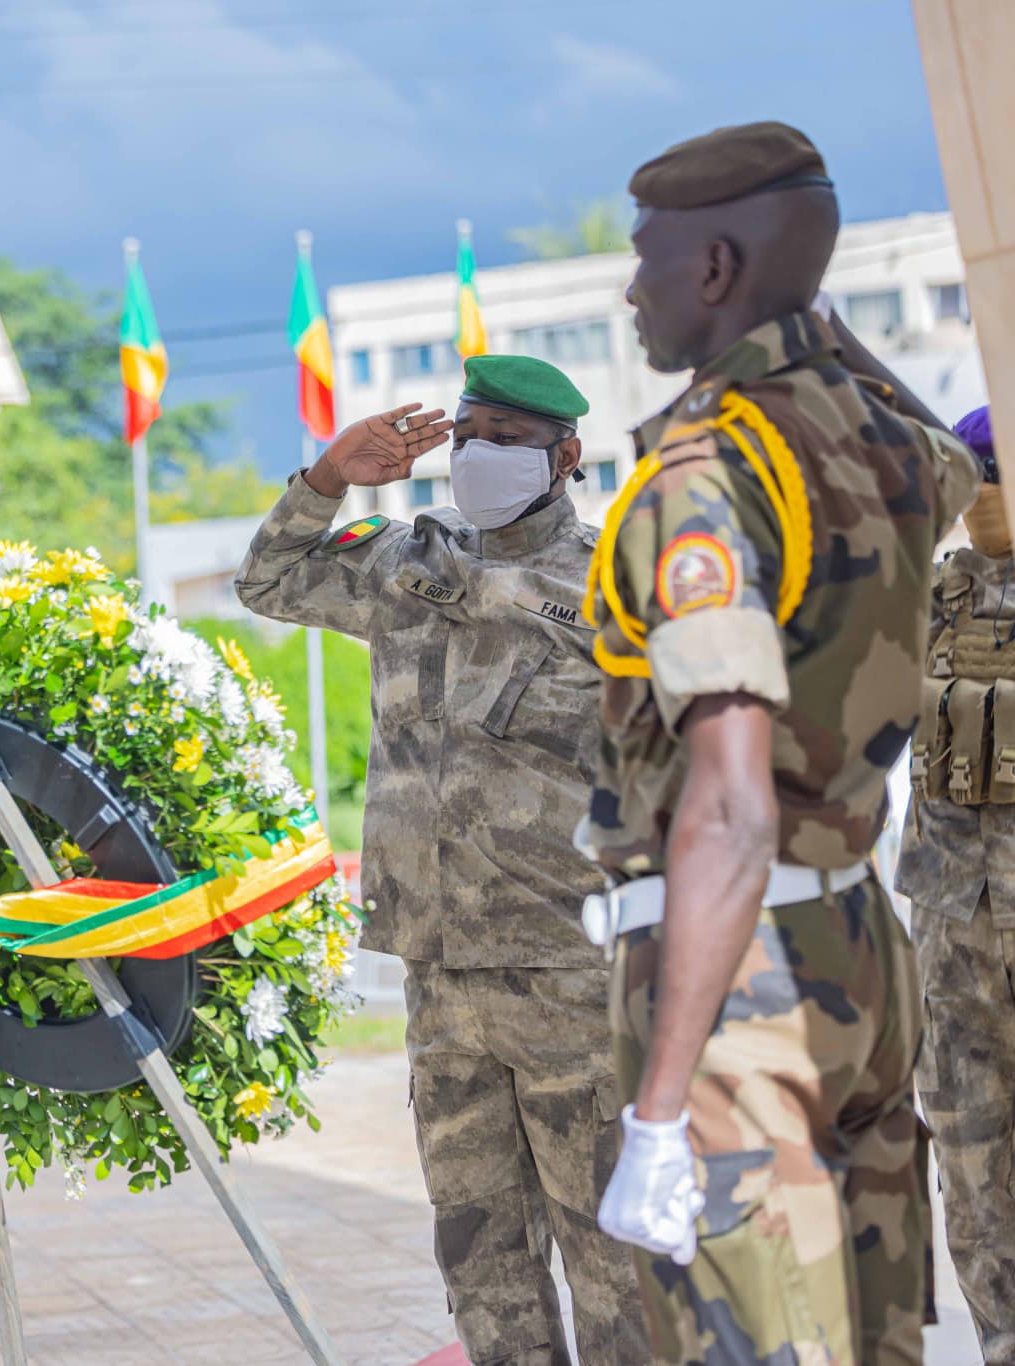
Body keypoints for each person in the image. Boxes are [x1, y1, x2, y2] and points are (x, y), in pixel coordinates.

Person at [583, 122, 982, 1362]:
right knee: (868, 1340)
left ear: (711, 269)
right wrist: (803, 319)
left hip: (738, 970)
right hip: (861, 947)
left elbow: (729, 804)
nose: (628, 287)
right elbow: (944, 459)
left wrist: (658, 1110)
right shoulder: (885, 451)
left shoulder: (703, 475)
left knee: (754, 1339)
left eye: (644, 258)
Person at [236, 356, 649, 1363]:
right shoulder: (403, 564)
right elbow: (266, 580)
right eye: (466, 434)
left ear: (564, 457)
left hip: (569, 976)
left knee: (612, 1263)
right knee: (478, 1257)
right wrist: (330, 474)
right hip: (437, 971)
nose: (477, 454)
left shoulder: (614, 584)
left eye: (505, 439)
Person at [897, 406, 1015, 1363]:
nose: (987, 492)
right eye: (973, 472)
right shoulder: (923, 599)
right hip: (954, 943)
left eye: (1000, 468)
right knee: (973, 1166)